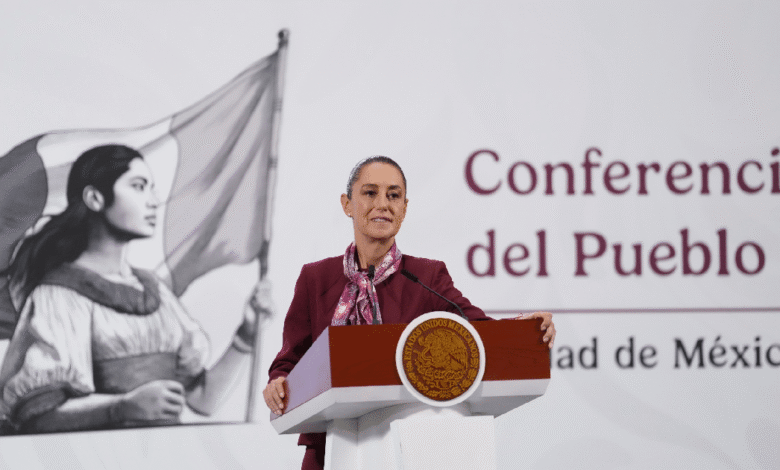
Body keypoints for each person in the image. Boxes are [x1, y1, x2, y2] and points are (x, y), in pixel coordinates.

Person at [263, 156, 556, 470]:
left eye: (393, 195)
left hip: (405, 446)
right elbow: (290, 359)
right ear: (347, 204)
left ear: (404, 207)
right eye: (370, 193)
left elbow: (476, 329)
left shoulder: (427, 276)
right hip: (329, 446)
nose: (383, 204)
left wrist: (520, 330)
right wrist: (278, 382)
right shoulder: (315, 278)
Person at [0, 144, 266, 433]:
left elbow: (204, 400)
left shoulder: (156, 293)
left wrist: (246, 333)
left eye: (152, 188)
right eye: (138, 187)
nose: (153, 201)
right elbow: (38, 417)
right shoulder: (59, 295)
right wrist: (121, 407)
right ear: (95, 198)